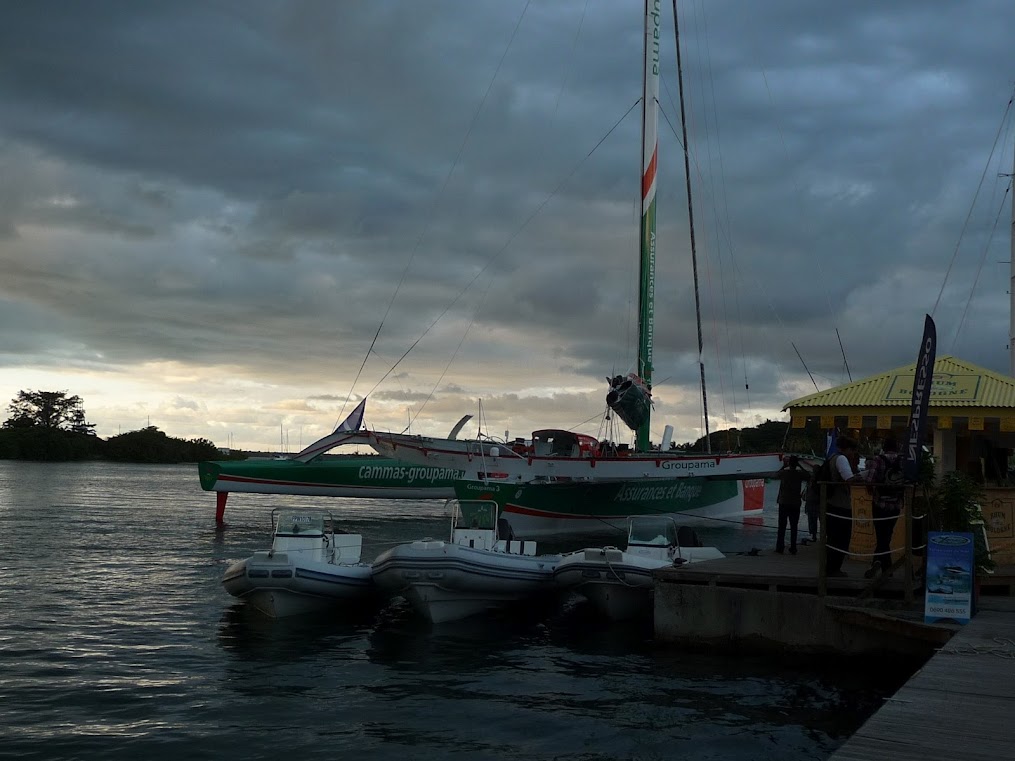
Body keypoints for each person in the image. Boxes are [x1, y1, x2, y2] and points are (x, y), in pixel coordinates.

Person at [862, 437, 904, 578]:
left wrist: (873, 492)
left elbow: (869, 481)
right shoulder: (902, 461)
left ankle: (880, 564)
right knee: (887, 535)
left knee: (881, 536)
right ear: (897, 447)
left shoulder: (878, 460)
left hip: (879, 504)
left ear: (884, 447)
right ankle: (886, 568)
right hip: (896, 505)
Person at [824, 436, 862, 577]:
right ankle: (834, 568)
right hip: (840, 504)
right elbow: (849, 479)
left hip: (831, 503)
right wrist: (860, 477)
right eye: (852, 450)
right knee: (842, 538)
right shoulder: (841, 459)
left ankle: (830, 567)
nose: (853, 454)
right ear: (848, 449)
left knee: (834, 538)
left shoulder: (832, 458)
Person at [775, 456, 809, 554]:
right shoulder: (799, 474)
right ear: (796, 463)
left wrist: (783, 466)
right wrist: (800, 466)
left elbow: (775, 475)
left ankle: (780, 547)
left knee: (782, 526)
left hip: (784, 502)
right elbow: (809, 476)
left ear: (789, 463)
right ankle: (793, 547)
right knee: (794, 526)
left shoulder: (784, 473)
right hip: (795, 503)